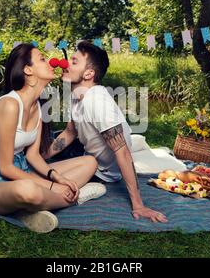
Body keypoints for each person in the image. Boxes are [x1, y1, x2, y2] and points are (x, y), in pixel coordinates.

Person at [0, 43, 106, 233]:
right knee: (28, 190)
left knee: (90, 162)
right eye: (42, 59)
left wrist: (57, 178)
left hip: (23, 170)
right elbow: (5, 167)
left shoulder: (37, 107)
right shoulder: (9, 105)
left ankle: (29, 208)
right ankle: (75, 197)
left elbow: (33, 156)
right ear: (28, 70)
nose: (50, 61)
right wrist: (53, 186)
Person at [43, 41, 168, 223]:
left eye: (75, 62)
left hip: (101, 171)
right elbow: (70, 132)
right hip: (85, 151)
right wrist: (43, 155)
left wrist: (138, 204)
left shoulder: (97, 101)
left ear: (89, 73)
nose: (66, 64)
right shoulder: (78, 94)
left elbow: (122, 152)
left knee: (46, 180)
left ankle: (82, 190)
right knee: (42, 144)